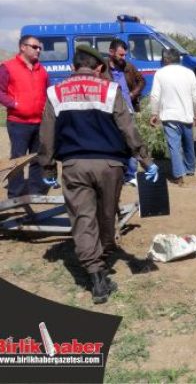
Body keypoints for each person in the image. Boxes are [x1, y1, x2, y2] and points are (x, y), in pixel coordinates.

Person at [37, 45, 158, 304]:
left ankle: (94, 274)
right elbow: (128, 129)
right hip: (109, 166)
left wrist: (47, 166)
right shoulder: (111, 90)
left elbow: (46, 134)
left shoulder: (55, 92)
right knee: (106, 216)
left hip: (74, 165)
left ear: (72, 66)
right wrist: (146, 161)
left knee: (83, 219)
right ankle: (100, 269)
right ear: (100, 68)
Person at [0, 35, 49, 198]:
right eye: (35, 47)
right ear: (23, 47)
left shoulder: (41, 70)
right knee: (18, 159)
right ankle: (16, 193)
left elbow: (48, 91)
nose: (38, 50)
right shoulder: (8, 67)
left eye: (39, 47)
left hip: (39, 122)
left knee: (37, 158)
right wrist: (15, 104)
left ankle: (36, 191)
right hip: (18, 122)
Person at [149, 48, 196, 185]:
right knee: (188, 142)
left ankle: (179, 175)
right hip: (186, 114)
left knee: (174, 146)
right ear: (179, 59)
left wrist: (154, 113)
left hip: (169, 115)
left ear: (166, 59)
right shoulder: (189, 73)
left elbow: (155, 96)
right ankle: (190, 168)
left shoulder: (160, 73)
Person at [104, 39, 145, 187]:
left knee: (131, 142)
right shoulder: (103, 69)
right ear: (111, 52)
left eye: (125, 54)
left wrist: (133, 94)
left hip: (129, 110)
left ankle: (131, 174)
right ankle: (115, 174)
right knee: (113, 143)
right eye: (121, 54)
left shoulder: (128, 67)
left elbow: (142, 81)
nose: (123, 57)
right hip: (111, 111)